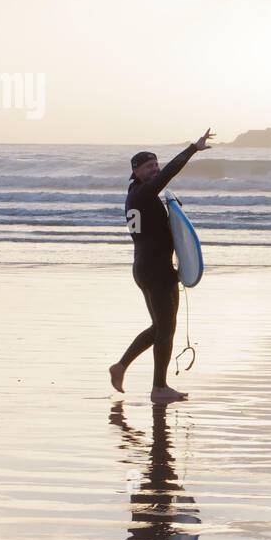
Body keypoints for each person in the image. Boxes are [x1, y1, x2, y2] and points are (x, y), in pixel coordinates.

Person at [109, 129, 213, 402]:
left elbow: (162, 229)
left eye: (155, 164)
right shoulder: (144, 193)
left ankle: (121, 367)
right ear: (136, 170)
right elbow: (170, 174)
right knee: (166, 329)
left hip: (145, 268)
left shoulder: (134, 194)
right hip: (156, 271)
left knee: (160, 327)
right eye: (148, 167)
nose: (154, 170)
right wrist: (193, 148)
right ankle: (159, 388)